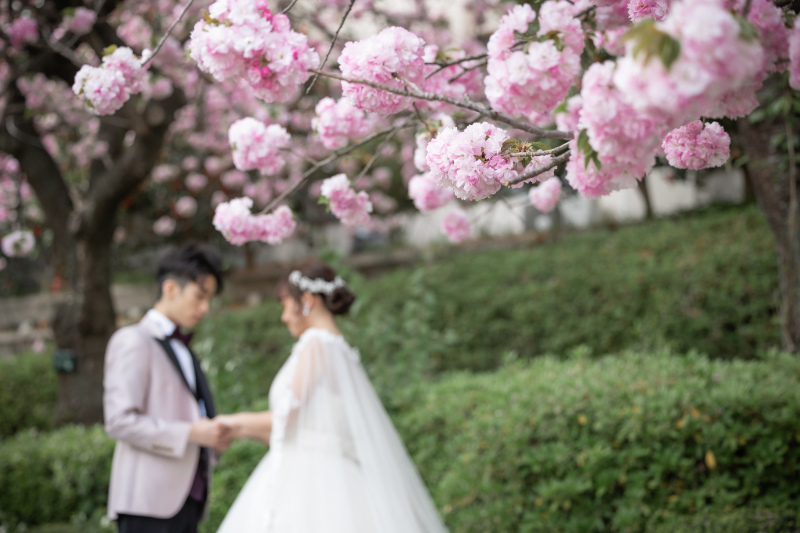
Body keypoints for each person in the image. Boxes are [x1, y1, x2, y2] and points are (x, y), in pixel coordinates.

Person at [215, 261, 448, 533]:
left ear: (307, 300)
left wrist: (234, 422)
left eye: (284, 304)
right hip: (337, 477)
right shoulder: (340, 348)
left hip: (308, 480)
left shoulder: (317, 344)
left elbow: (286, 417)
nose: (283, 316)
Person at [103, 243, 230, 533]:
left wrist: (210, 439)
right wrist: (189, 433)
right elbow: (119, 422)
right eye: (200, 296)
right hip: (148, 504)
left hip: (188, 500)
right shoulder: (132, 340)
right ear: (171, 288)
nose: (205, 308)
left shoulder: (184, 348)